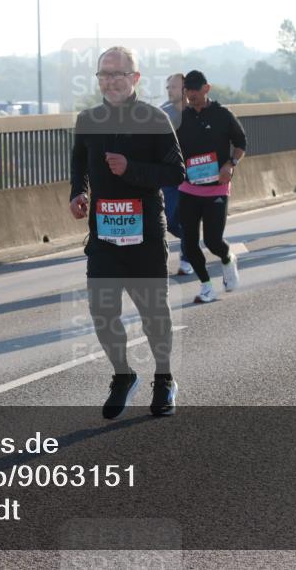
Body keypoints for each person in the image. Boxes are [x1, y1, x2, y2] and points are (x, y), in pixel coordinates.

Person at [69, 46, 185, 419]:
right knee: (102, 312)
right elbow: (78, 166)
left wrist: (131, 169)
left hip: (145, 234)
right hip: (103, 235)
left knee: (154, 313)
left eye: (119, 74)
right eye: (104, 74)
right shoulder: (88, 119)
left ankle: (164, 379)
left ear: (135, 78)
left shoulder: (154, 119)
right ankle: (123, 375)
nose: (111, 81)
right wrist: (79, 194)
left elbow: (175, 173)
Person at [175, 70, 246, 304]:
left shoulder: (222, 115)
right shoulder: (180, 117)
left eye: (196, 89)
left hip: (216, 188)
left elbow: (241, 143)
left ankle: (227, 258)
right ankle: (206, 286)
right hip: (189, 188)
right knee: (189, 241)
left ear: (207, 88)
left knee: (213, 241)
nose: (191, 94)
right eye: (188, 89)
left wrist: (231, 164)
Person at [159, 72, 193, 276]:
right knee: (171, 221)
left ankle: (187, 258)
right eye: (168, 87)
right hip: (171, 177)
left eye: (173, 87)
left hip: (195, 176)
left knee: (189, 218)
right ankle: (191, 240)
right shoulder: (162, 113)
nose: (169, 90)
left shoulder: (200, 111)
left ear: (185, 89)